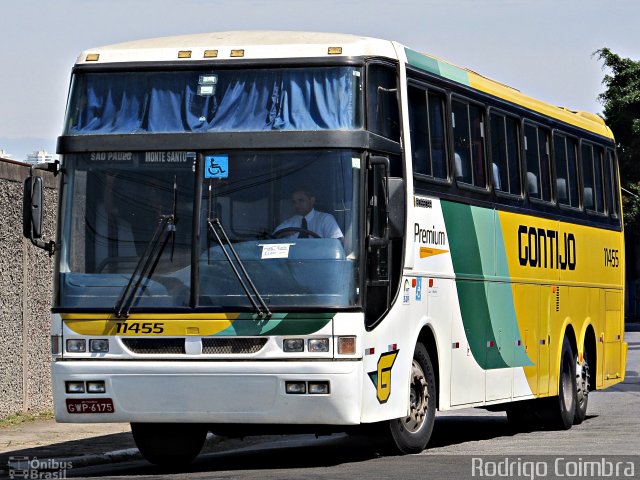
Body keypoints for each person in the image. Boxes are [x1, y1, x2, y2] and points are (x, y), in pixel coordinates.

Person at [274, 187, 343, 241]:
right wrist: (282, 234)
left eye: (301, 200)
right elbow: (273, 238)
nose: (296, 205)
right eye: (294, 202)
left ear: (312, 200)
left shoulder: (326, 219)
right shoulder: (288, 223)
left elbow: (338, 242)